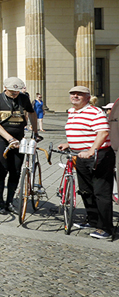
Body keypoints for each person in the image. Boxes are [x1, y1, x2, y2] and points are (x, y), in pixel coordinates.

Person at [59, 86, 114, 239]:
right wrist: (70, 144)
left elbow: (102, 132)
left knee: (100, 192)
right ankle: (93, 220)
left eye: (79, 94)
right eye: (72, 93)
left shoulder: (95, 112)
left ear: (87, 97)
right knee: (86, 190)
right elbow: (82, 131)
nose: (75, 96)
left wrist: (91, 150)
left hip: (99, 155)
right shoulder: (72, 112)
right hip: (80, 156)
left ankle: (106, 228)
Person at [0, 77, 39, 214]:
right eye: (12, 91)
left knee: (16, 170)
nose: (15, 94)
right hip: (1, 139)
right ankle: (0, 201)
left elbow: (32, 113)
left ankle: (10, 201)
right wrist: (10, 139)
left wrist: (35, 131)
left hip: (19, 139)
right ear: (5, 88)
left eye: (17, 91)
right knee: (2, 169)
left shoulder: (23, 98)